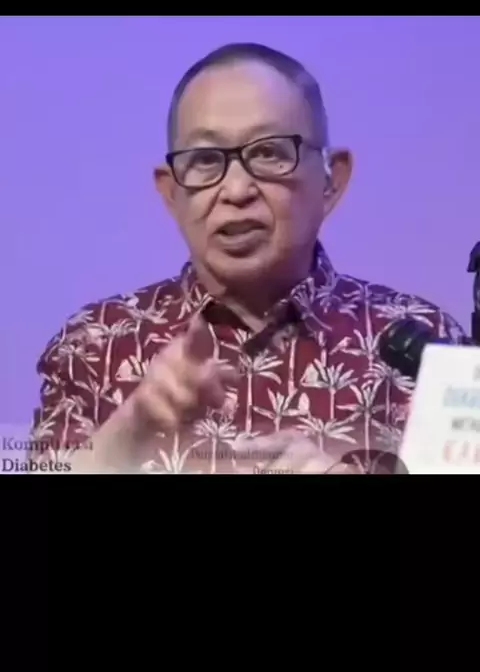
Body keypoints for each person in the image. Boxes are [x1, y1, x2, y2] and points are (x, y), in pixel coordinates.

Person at [29, 42, 466, 474]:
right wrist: (129, 430)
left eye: (269, 152)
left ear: (331, 181)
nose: (236, 191)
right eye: (204, 160)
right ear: (171, 193)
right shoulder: (96, 346)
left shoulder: (427, 347)